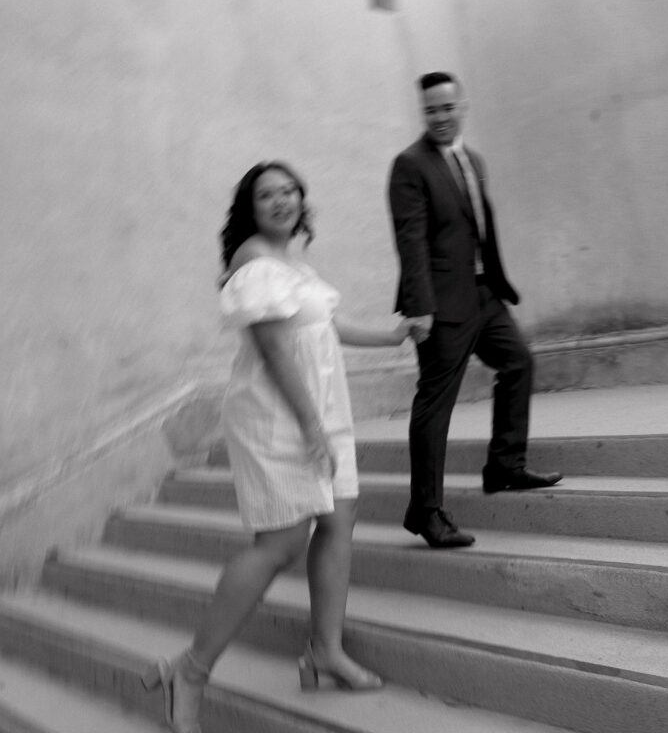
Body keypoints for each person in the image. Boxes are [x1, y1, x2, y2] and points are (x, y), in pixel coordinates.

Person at [144, 160, 409, 733]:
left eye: (290, 190)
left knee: (340, 520)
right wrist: (311, 426)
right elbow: (273, 351)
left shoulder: (292, 260)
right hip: (277, 416)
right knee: (282, 543)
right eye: (268, 194)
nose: (282, 200)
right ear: (250, 206)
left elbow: (325, 328)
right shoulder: (253, 261)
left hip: (321, 408)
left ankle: (325, 650)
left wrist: (392, 336)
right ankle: (189, 671)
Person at [387, 72, 562, 550]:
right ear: (422, 114)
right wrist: (421, 308)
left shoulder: (473, 160)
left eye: (446, 108)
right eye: (430, 111)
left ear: (462, 106)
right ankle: (425, 510)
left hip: (485, 295)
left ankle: (505, 465)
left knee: (519, 362)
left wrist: (496, 285)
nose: (439, 117)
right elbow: (412, 241)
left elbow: (477, 228)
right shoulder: (409, 165)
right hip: (441, 306)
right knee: (435, 405)